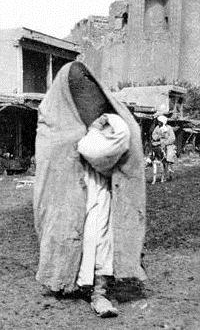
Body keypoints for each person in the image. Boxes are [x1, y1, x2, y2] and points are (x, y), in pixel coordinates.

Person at [33, 61, 146, 318]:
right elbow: (51, 156)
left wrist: (93, 140)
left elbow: (122, 141)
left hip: (97, 185)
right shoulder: (52, 120)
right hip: (67, 191)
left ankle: (99, 292)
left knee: (99, 233)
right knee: (67, 231)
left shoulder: (106, 127)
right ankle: (65, 278)